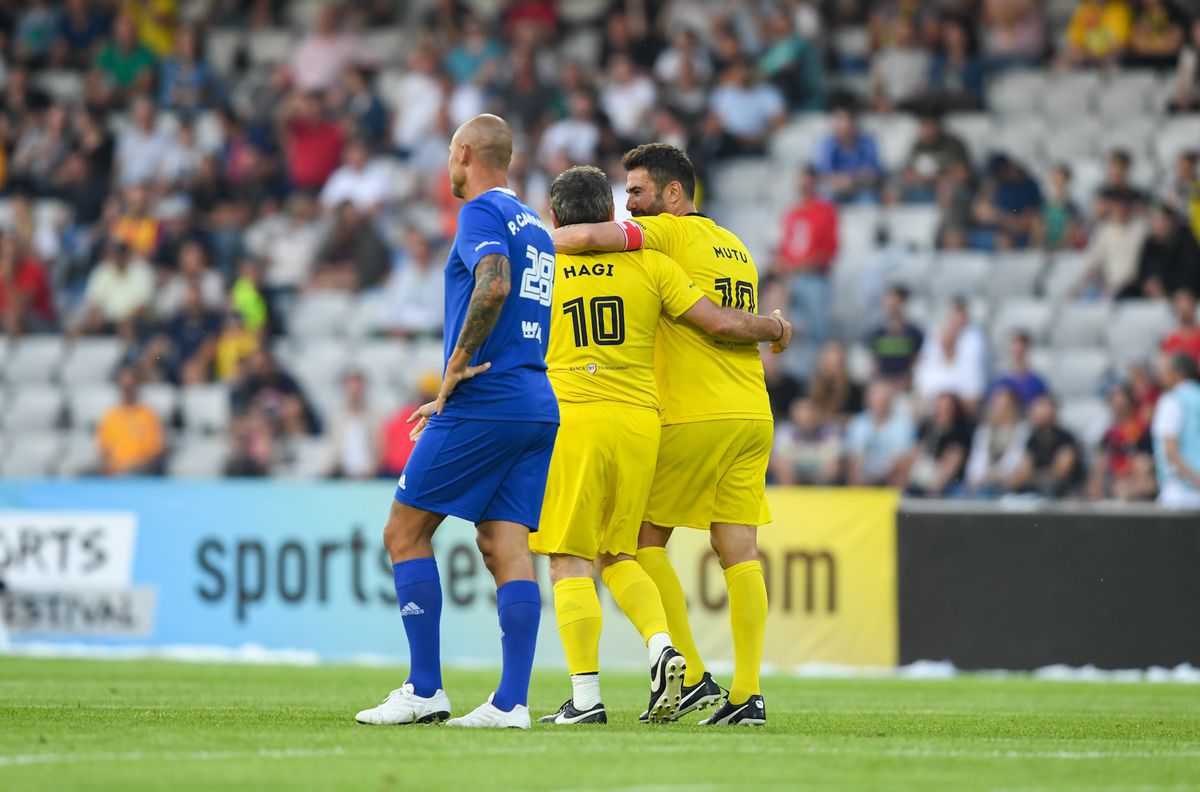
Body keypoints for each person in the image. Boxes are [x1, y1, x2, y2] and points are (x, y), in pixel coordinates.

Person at [534, 165, 790, 726]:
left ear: (674, 193)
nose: (633, 207)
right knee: (739, 552)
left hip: (655, 416)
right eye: (623, 197)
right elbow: (721, 319)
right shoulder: (732, 248)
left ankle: (679, 672)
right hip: (745, 412)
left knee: (613, 551)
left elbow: (582, 243)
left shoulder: (659, 239)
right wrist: (774, 328)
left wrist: (523, 238)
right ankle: (747, 695)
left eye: (639, 193)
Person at [355, 114, 558, 730]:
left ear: (465, 153)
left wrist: (453, 370)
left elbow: (492, 286)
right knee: (504, 546)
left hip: (485, 396)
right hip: (534, 399)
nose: (448, 165)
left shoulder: (481, 215)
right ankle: (511, 703)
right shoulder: (539, 228)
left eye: (450, 153)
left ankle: (424, 689)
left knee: (404, 532)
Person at [776, 167, 838, 371]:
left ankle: (821, 371)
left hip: (814, 279)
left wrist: (805, 265)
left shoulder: (825, 211)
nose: (804, 185)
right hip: (791, 279)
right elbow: (785, 247)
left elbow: (830, 249)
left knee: (818, 332)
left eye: (808, 181)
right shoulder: (791, 213)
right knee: (787, 329)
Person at [1008, 394, 1086, 497]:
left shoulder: (1066, 439)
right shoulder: (1032, 440)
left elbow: (1060, 472)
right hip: (1039, 489)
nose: (1037, 412)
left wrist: (1032, 476)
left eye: (1042, 407)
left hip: (1065, 491)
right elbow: (1023, 471)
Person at [844, 379, 917, 488]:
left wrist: (881, 478)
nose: (880, 404)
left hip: (890, 479)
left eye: (883, 400)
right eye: (876, 400)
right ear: (869, 401)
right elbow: (854, 457)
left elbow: (902, 458)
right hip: (863, 479)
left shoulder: (903, 425)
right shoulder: (858, 424)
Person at [1151, 352, 1200, 508]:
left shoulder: (1172, 400)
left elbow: (1170, 451)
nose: (1161, 376)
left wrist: (1195, 481)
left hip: (1183, 490)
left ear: (1179, 372)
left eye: (1166, 371)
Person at [96, 364, 164, 476]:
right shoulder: (110, 416)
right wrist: (108, 467)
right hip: (113, 471)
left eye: (131, 386)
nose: (127, 389)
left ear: (137, 385)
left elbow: (155, 452)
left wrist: (130, 469)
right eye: (124, 386)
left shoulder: (148, 415)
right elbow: (103, 451)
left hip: (138, 472)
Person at [964, 386, 1030, 497]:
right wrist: (979, 478)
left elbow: (1013, 461)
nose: (1000, 411)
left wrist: (993, 476)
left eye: (1005, 407)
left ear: (1013, 409)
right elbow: (976, 463)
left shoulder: (1023, 431)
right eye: (997, 407)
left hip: (1006, 486)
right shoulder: (984, 432)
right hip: (982, 484)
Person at [906, 392, 974, 497]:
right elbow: (916, 452)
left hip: (950, 482)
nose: (942, 411)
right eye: (939, 407)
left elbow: (955, 460)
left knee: (952, 459)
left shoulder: (961, 432)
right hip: (923, 474)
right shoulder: (927, 427)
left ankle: (929, 496)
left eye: (946, 408)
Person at [812, 106, 884, 204]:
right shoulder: (827, 143)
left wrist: (852, 180)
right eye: (840, 123)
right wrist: (840, 181)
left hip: (861, 188)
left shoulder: (867, 142)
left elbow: (873, 174)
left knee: (868, 199)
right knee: (824, 196)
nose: (844, 128)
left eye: (848, 123)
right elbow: (823, 173)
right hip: (835, 188)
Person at [771, 396, 842, 486]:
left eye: (811, 409)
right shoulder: (784, 432)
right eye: (801, 410)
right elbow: (781, 462)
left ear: (819, 411)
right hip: (793, 479)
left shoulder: (831, 431)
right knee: (783, 469)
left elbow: (833, 464)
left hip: (821, 481)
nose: (807, 415)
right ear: (793, 412)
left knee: (832, 469)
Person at [327, 369, 383, 479]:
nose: (354, 394)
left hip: (369, 475)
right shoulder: (336, 416)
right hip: (341, 475)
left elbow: (380, 448)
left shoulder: (375, 416)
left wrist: (373, 468)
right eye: (352, 390)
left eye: (357, 391)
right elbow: (332, 447)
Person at [865, 285, 924, 388]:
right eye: (890, 302)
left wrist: (904, 382)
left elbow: (917, 363)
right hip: (882, 386)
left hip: (906, 386)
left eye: (896, 302)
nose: (892, 306)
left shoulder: (914, 333)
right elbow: (874, 364)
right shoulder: (878, 333)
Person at [990, 331, 1049, 408]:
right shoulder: (1000, 379)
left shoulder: (1037, 381)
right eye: (1015, 345)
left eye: (1021, 346)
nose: (1018, 350)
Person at [1163, 288, 1200, 363]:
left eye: (1187, 304)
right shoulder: (1170, 338)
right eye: (1180, 305)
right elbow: (1166, 363)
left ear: (1193, 306)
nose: (1184, 308)